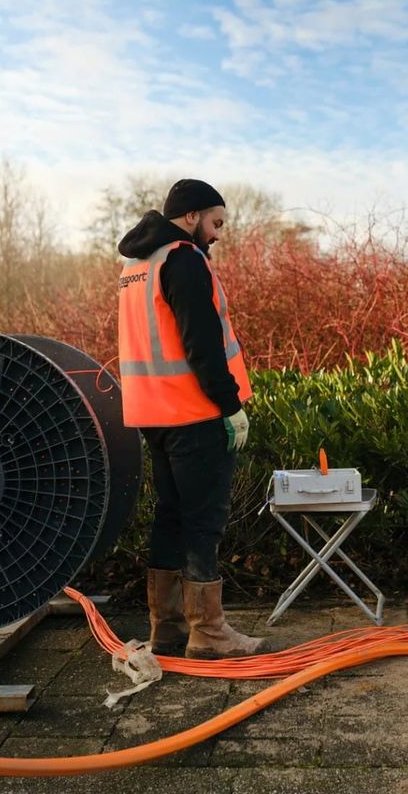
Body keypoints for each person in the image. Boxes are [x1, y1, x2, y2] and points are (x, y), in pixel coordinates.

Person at [117, 178, 270, 658]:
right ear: (190, 217)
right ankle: (209, 631)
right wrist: (230, 406)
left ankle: (167, 626)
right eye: (216, 222)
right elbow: (201, 345)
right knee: (204, 520)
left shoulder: (136, 265)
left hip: (151, 412)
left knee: (171, 516)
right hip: (194, 411)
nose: (219, 234)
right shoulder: (183, 259)